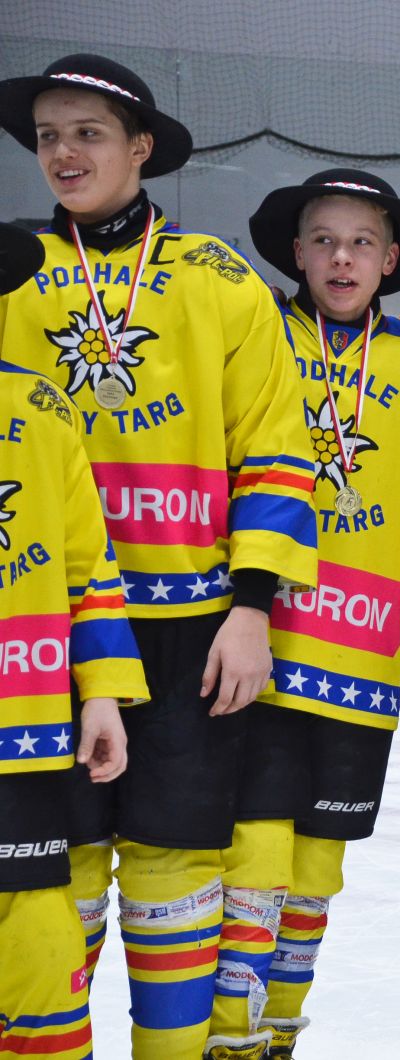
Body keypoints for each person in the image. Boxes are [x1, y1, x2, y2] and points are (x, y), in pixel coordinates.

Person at [0, 54, 317, 1058]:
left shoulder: (217, 277)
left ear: (141, 147)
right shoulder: (12, 273)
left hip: (189, 627)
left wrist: (252, 605)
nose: (63, 153)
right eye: (48, 136)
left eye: (88, 133)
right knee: (52, 871)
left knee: (175, 867)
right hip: (46, 634)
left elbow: (276, 447)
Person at [196, 169, 400, 1060]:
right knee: (253, 860)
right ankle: (231, 1039)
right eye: (325, 241)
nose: (343, 258)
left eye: (362, 243)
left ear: (391, 259)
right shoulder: (253, 335)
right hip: (256, 648)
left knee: (314, 873)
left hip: (361, 664)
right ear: (297, 253)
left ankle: (278, 1037)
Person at [0, 221, 146, 1060]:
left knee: (39, 947)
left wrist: (101, 694)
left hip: (23, 738)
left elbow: (89, 566)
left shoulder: (39, 405)